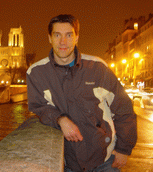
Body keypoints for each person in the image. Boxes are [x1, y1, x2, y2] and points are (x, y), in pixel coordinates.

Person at [26, 14, 137, 172]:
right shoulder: (36, 73)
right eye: (57, 35)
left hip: (104, 160)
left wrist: (124, 149)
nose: (63, 42)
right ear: (49, 38)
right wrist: (61, 119)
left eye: (69, 35)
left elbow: (124, 108)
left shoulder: (98, 68)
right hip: (68, 163)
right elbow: (38, 106)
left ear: (77, 38)